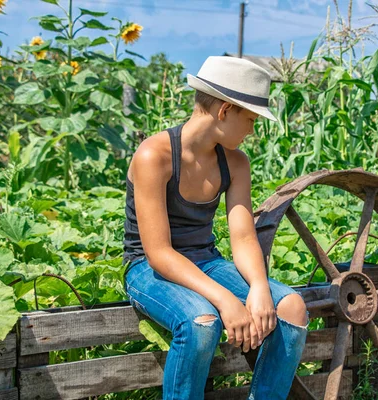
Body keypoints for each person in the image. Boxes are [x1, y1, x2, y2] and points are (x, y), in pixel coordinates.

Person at [122, 56, 309, 400]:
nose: (252, 129)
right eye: (250, 119)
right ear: (224, 111)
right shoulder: (154, 155)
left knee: (291, 306)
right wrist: (225, 300)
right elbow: (159, 254)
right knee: (201, 323)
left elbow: (242, 236)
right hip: (148, 269)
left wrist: (258, 287)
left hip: (205, 261)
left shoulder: (235, 162)